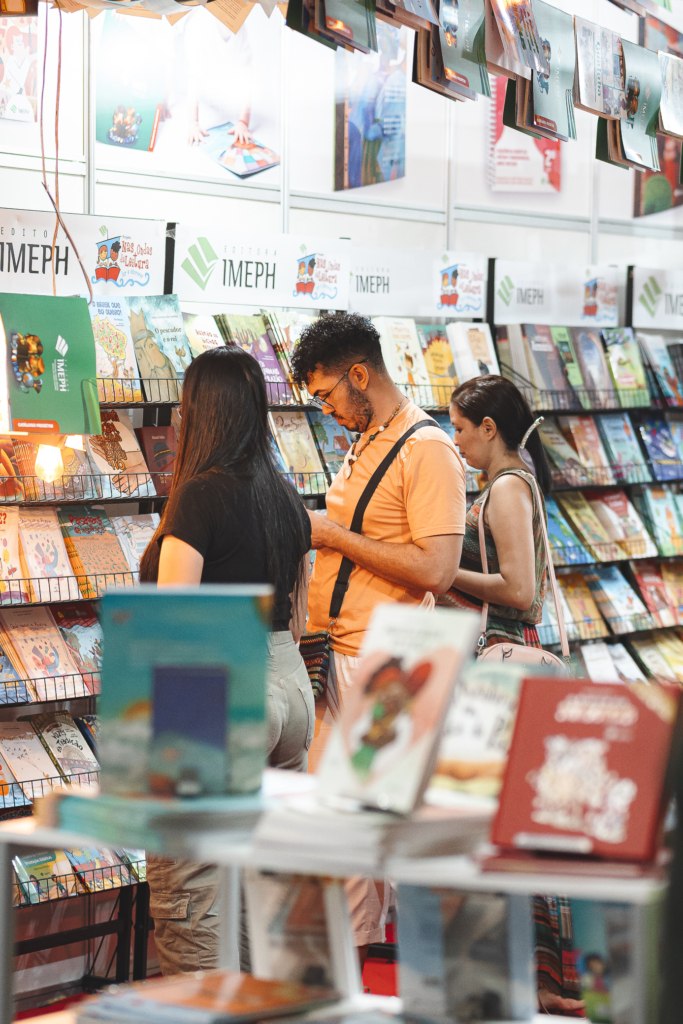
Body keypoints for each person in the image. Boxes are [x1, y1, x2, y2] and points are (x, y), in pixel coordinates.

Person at [290, 312, 466, 956]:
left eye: (328, 394)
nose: (327, 409)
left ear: (359, 375)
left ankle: (356, 975)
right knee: (336, 830)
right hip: (337, 652)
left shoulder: (428, 450)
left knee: (358, 832)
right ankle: (339, 971)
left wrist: (333, 535)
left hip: (384, 660)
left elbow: (439, 569)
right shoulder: (369, 439)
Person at [139, 346, 312, 976]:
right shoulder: (285, 496)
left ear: (197, 411)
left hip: (215, 687)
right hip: (288, 683)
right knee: (259, 890)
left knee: (192, 886)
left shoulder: (198, 496)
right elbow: (298, 612)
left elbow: (176, 623)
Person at [438, 375, 551, 648]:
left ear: (488, 428)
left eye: (460, 429)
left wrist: (443, 573)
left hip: (498, 647)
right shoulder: (512, 482)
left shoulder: (508, 487)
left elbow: (519, 591)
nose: (455, 440)